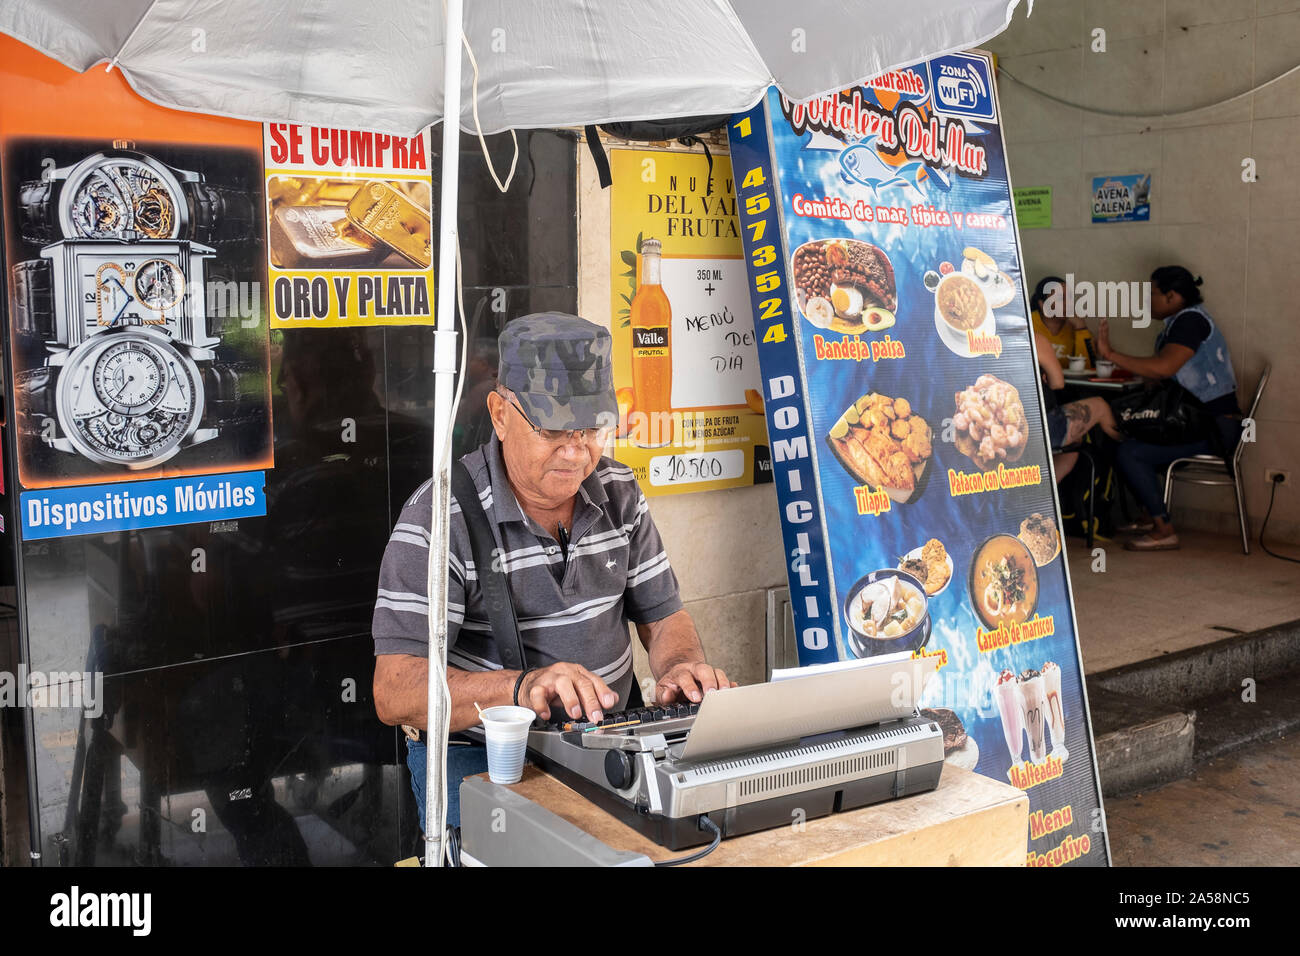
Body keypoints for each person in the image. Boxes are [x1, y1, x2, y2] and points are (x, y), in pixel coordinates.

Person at [371, 313, 733, 831]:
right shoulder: (438, 518)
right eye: (553, 429)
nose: (575, 451)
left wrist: (679, 666)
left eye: (591, 429)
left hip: (609, 738)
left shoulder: (620, 492)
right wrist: (522, 690)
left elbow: (665, 615)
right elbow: (395, 691)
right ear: (500, 413)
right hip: (480, 756)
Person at [1097, 267, 1243, 551]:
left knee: (1129, 450)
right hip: (1194, 421)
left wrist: (1111, 354)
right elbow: (1163, 373)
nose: (1148, 300)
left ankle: (1164, 529)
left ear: (1172, 296)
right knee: (1120, 433)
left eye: (1152, 293)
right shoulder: (1180, 321)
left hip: (1215, 427)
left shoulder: (1190, 322)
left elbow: (1164, 367)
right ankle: (1150, 516)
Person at [1034, 332, 1123, 482]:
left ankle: (1040, 489)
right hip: (1040, 427)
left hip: (995, 430)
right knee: (1100, 406)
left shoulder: (982, 339)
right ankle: (1127, 454)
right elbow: (1057, 383)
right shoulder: (1033, 337)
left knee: (1075, 441)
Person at [1031, 275, 1094, 369]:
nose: (1068, 303)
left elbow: (1088, 368)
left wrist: (1081, 328)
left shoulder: (1075, 327)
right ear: (1042, 304)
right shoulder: (1028, 324)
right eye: (1060, 298)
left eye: (1070, 298)